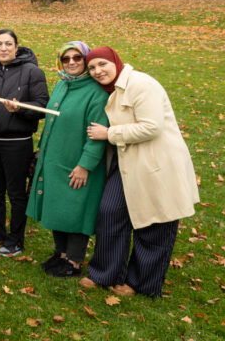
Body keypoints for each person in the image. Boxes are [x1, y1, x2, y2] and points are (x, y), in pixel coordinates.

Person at [82, 47, 199, 297]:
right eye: (91, 67)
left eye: (102, 64)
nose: (97, 71)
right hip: (126, 163)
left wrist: (109, 134)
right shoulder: (111, 90)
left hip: (157, 164)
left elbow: (152, 127)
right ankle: (104, 273)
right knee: (110, 213)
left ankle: (141, 283)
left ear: (115, 61)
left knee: (155, 224)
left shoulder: (141, 85)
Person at [25, 42, 109, 278]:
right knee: (57, 206)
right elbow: (52, 121)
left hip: (78, 162)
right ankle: (60, 254)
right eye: (65, 59)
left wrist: (85, 166)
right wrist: (42, 150)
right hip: (55, 158)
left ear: (85, 61)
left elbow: (97, 135)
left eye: (77, 58)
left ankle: (73, 261)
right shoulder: (62, 85)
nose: (71, 62)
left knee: (76, 209)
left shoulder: (96, 92)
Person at [0, 29, 50, 257]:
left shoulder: (32, 72)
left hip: (17, 142)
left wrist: (20, 109)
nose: (3, 48)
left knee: (16, 193)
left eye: (8, 44)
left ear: (16, 47)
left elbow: (42, 105)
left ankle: (16, 239)